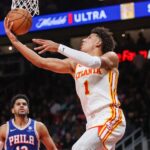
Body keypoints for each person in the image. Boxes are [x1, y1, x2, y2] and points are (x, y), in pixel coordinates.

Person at [4, 18, 126, 150]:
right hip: (92, 123)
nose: (84, 40)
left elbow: (92, 62)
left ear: (98, 42)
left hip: (109, 117)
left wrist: (59, 47)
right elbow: (41, 62)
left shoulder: (110, 57)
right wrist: (15, 41)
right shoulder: (74, 65)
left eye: (89, 37)